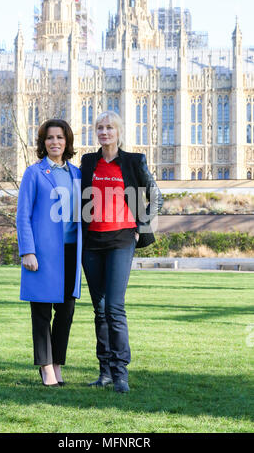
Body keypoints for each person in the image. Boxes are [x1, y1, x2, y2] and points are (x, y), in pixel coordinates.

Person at [81, 111, 163, 393]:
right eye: (100, 128)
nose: (105, 132)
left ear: (119, 131)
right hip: (92, 241)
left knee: (114, 308)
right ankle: (103, 372)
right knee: (99, 310)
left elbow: (156, 196)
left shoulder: (132, 161)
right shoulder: (88, 162)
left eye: (110, 128)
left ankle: (120, 373)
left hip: (121, 240)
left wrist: (141, 226)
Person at [16, 119, 82, 387]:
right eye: (49, 138)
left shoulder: (77, 174)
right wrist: (27, 251)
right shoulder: (34, 173)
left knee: (66, 312)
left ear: (67, 142)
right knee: (42, 312)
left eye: (60, 137)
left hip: (71, 252)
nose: (55, 142)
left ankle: (57, 363)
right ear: (43, 143)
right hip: (42, 254)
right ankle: (45, 367)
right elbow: (23, 215)